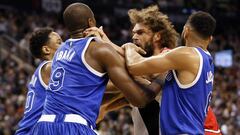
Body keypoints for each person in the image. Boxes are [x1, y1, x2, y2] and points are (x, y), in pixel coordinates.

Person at [31, 3, 162, 135]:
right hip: (73, 126)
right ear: (91, 22)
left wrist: (106, 106)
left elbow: (84, 92)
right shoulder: (99, 50)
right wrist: (162, 78)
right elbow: (139, 99)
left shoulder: (60, 52)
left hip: (43, 125)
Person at [85, 5, 178, 135]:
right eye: (133, 32)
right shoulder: (138, 66)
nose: (134, 37)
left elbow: (143, 70)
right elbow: (131, 77)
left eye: (140, 32)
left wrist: (109, 44)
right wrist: (104, 108)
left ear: (157, 36)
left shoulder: (169, 56)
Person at [123, 11, 216, 134]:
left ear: (186, 31)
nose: (135, 36)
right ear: (210, 39)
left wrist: (129, 47)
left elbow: (134, 66)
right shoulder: (208, 61)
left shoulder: (185, 54)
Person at [15, 28, 62, 135]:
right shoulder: (50, 67)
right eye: (59, 43)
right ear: (46, 50)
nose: (64, 46)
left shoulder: (43, 69)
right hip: (34, 130)